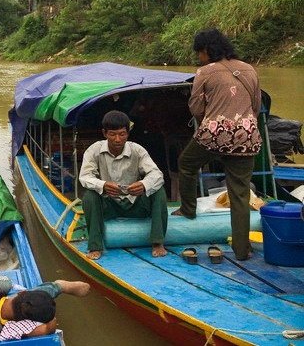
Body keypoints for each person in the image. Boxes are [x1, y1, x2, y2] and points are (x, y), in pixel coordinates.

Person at [172, 28, 262, 261]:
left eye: (199, 53)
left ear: (206, 50)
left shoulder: (205, 71)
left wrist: (211, 123)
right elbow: (256, 106)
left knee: (187, 163)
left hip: (216, 133)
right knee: (240, 193)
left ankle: (188, 209)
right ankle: (242, 251)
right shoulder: (249, 69)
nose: (198, 58)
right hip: (248, 135)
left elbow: (196, 107)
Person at [79, 110, 168, 260]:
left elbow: (157, 175)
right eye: (112, 134)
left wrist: (144, 184)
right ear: (104, 133)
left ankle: (158, 242)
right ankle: (95, 245)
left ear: (128, 133)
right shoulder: (94, 150)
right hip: (109, 206)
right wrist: (103, 185)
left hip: (136, 205)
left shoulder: (137, 150)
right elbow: (85, 177)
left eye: (122, 134)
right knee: (89, 195)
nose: (117, 139)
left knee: (158, 190)